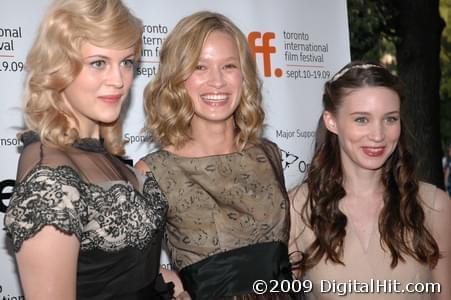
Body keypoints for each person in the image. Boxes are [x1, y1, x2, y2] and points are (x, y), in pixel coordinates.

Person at [3, 0, 172, 299]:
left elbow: (111, 271)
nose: (118, 80)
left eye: (126, 62)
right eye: (98, 62)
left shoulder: (97, 154)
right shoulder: (51, 176)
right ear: (59, 65)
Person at [136, 11, 298, 300]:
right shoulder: (156, 171)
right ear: (178, 78)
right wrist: (166, 282)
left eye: (228, 66)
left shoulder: (267, 154)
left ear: (244, 75)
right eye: (200, 67)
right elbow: (128, 269)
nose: (217, 82)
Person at [289, 61, 451, 300]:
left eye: (390, 119)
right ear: (331, 121)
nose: (378, 135)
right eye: (362, 119)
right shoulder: (298, 208)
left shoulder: (434, 205)